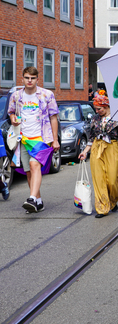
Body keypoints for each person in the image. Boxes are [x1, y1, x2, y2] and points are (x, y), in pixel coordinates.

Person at [8, 66, 59, 213]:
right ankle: (38, 201)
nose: (29, 81)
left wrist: (55, 140)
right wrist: (13, 120)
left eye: (32, 78)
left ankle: (31, 198)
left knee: (34, 165)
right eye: (27, 78)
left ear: (37, 79)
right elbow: (11, 112)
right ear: (22, 78)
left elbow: (53, 117)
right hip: (23, 138)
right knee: (29, 172)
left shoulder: (47, 95)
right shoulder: (16, 96)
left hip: (41, 138)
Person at [78, 93, 118, 218]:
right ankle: (102, 208)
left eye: (99, 109)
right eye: (96, 109)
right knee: (98, 179)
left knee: (112, 180)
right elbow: (91, 137)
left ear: (106, 106)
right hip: (96, 147)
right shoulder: (95, 119)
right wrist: (85, 151)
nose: (97, 111)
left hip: (112, 148)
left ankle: (113, 200)